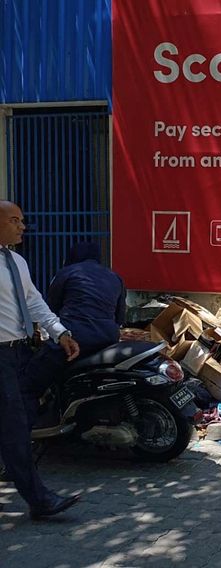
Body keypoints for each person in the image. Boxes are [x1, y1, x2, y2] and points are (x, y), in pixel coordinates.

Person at [0, 200, 82, 519]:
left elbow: (34, 301)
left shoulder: (16, 261)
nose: (22, 226)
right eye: (14, 220)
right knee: (14, 426)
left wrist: (59, 332)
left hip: (19, 352)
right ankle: (39, 500)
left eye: (22, 220)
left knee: (16, 422)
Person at [46, 242, 126, 357]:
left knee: (36, 366)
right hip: (108, 338)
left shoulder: (66, 273)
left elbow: (51, 307)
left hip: (73, 335)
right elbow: (120, 316)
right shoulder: (115, 277)